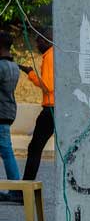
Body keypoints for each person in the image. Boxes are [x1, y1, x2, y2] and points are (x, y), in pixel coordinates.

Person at [21, 34, 53, 182]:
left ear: (46, 40)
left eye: (38, 41)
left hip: (50, 109)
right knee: (35, 147)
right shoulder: (55, 54)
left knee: (34, 148)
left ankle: (24, 189)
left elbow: (47, 86)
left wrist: (31, 74)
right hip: (55, 109)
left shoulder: (49, 56)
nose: (37, 45)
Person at [0, 34, 20, 202]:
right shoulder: (14, 66)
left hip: (1, 113)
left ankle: (16, 190)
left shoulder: (1, 67)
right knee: (5, 150)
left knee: (6, 151)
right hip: (8, 112)